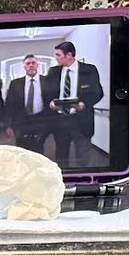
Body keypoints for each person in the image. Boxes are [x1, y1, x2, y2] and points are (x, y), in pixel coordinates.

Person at [43, 40, 104, 168]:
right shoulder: (53, 72)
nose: (56, 58)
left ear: (69, 55)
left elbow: (97, 93)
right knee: (61, 156)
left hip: (81, 120)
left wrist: (84, 104)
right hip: (60, 121)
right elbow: (46, 93)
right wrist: (50, 103)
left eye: (58, 55)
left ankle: (83, 182)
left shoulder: (89, 70)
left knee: (82, 156)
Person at [4, 53, 50, 156]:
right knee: (22, 151)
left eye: (33, 63)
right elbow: (9, 106)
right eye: (28, 63)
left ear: (37, 65)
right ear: (24, 66)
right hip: (21, 122)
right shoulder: (15, 84)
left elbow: (50, 102)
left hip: (40, 121)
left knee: (38, 151)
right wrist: (8, 125)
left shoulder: (47, 81)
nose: (31, 65)